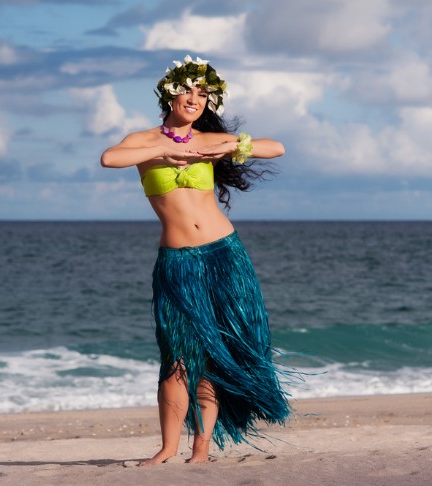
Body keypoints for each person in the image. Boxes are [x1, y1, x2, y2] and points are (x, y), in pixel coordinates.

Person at [100, 55, 291, 465]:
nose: (194, 98)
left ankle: (201, 447)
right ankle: (168, 447)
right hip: (178, 264)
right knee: (177, 358)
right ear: (170, 92)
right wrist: (162, 148)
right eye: (187, 90)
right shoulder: (143, 141)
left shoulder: (207, 141)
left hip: (225, 256)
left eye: (203, 94)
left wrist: (229, 145)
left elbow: (276, 148)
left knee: (212, 354)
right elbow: (109, 158)